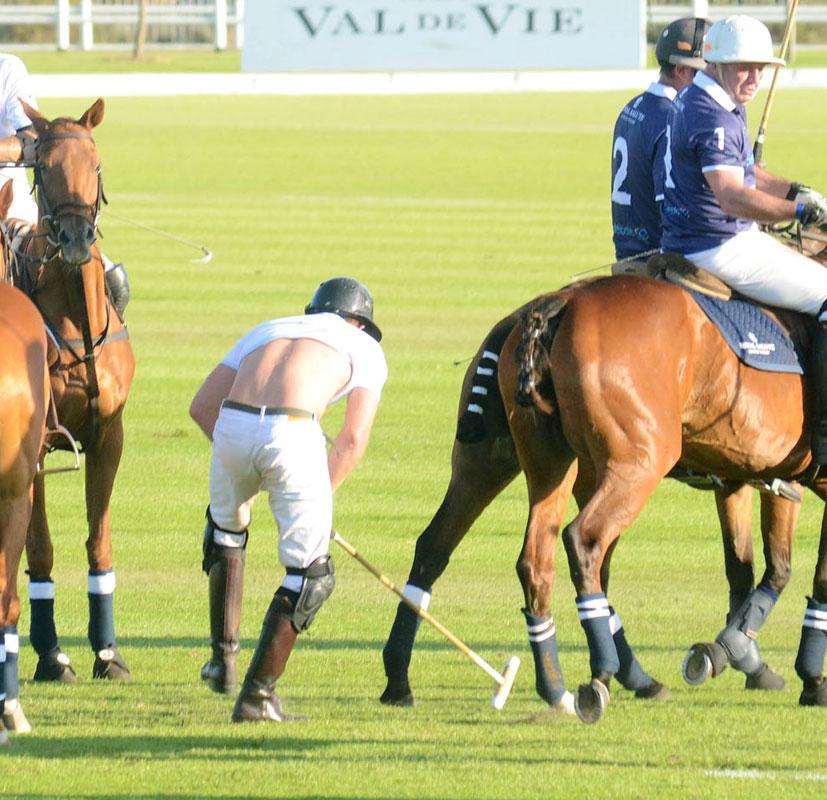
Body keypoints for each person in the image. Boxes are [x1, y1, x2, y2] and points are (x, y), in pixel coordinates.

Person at [189, 276, 388, 722]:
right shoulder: (365, 347)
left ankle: (223, 665)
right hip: (293, 431)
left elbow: (203, 406)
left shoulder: (268, 328)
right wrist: (318, 499)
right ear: (358, 322)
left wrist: (245, 465)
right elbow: (353, 439)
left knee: (225, 532)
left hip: (232, 425)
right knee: (310, 575)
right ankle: (257, 699)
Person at [661, 14, 827, 459]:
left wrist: (801, 192)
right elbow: (733, 195)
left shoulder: (714, 99)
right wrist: (796, 211)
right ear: (714, 63)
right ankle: (825, 436)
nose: (753, 77)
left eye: (761, 68)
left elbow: (751, 175)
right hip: (720, 244)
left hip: (705, 236)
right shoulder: (712, 113)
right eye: (743, 67)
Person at [0, 51, 130, 316]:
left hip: (11, 208)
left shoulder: (7, 68)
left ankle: (101, 356)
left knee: (114, 282)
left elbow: (30, 139)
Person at [611, 17, 709, 266]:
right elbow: (671, 206)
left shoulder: (632, 106)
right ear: (682, 70)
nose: (713, 80)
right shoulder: (674, 118)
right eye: (709, 71)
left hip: (626, 254)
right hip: (660, 262)